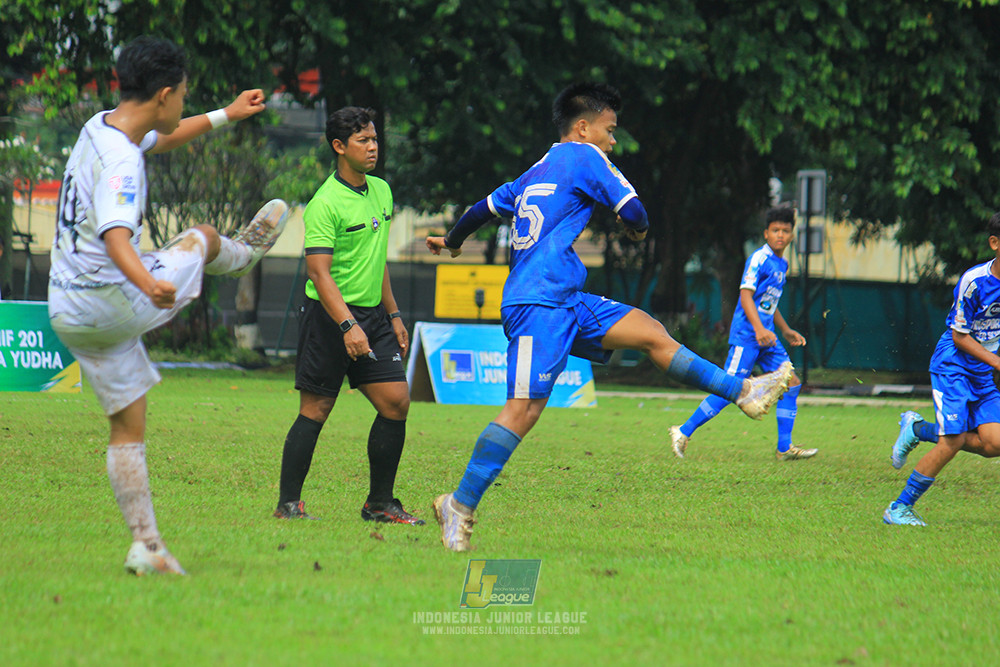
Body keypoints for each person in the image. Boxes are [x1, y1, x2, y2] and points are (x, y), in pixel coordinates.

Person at [425, 82, 793, 552]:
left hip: (565, 298)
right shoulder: (586, 157)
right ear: (583, 128)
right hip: (539, 304)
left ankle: (743, 389)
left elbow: (481, 209)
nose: (613, 141)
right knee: (523, 410)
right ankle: (459, 504)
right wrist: (636, 229)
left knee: (651, 333)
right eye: (610, 129)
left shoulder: (537, 169)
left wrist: (452, 243)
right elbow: (636, 211)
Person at [48, 36, 286, 575]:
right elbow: (115, 237)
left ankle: (147, 547)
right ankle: (242, 256)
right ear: (163, 92)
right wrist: (150, 286)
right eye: (182, 93)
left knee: (128, 425)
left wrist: (228, 113)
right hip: (113, 297)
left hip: (68, 308)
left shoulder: (101, 126)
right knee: (200, 236)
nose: (183, 101)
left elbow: (167, 134)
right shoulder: (121, 164)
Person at [272, 106, 422, 526]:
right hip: (329, 316)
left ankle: (380, 503)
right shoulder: (324, 203)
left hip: (374, 315)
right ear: (339, 147)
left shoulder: (382, 191)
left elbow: (379, 262)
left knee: (396, 403)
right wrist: (347, 326)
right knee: (316, 409)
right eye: (363, 141)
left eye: (375, 139)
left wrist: (393, 315)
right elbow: (319, 273)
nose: (373, 148)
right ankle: (289, 504)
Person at [669, 207, 816, 461]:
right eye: (775, 230)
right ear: (766, 234)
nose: (780, 235)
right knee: (729, 389)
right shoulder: (759, 258)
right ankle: (682, 431)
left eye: (785, 231)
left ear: (792, 235)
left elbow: (769, 302)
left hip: (766, 337)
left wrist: (785, 329)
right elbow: (745, 295)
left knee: (791, 383)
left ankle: (784, 448)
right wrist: (759, 329)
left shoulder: (782, 263)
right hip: (748, 336)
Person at [883, 212, 1000, 525]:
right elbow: (959, 337)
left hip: (982, 371)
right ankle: (898, 508)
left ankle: (917, 429)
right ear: (994, 243)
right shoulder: (974, 282)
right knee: (954, 440)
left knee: (994, 444)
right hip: (954, 364)